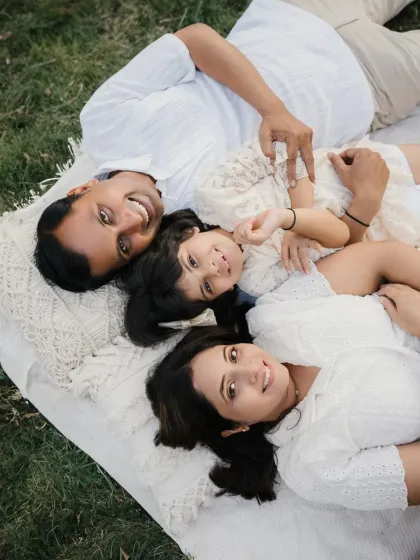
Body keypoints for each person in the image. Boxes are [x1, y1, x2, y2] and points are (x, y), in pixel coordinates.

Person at [34, 0, 420, 292]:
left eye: (105, 215)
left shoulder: (104, 122)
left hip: (292, 16)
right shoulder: (200, 220)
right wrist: (299, 222)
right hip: (364, 87)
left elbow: (195, 40)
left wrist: (273, 110)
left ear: (82, 188)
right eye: (123, 245)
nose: (132, 221)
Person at [146, 240, 420, 509]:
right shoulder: (313, 468)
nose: (251, 370)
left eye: (233, 355)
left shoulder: (275, 315)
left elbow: (382, 257)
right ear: (235, 427)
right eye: (231, 389)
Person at [123, 141, 420, 346]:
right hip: (383, 225)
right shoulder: (259, 280)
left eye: (192, 261)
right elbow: (341, 240)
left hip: (346, 172)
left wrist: (298, 222)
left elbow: (282, 149)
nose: (213, 268)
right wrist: (287, 220)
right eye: (208, 286)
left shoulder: (217, 194)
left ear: (186, 234)